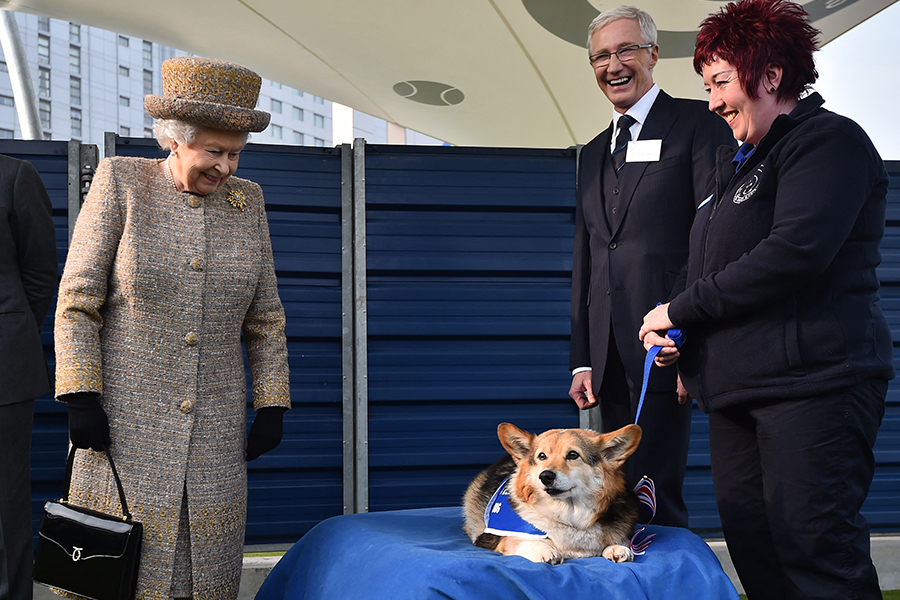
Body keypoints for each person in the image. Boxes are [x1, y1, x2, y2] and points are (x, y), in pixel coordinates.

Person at [638, 0, 893, 597]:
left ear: (770, 77)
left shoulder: (829, 142)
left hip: (814, 385)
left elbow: (794, 253)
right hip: (736, 394)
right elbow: (707, 269)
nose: (713, 102)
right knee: (755, 549)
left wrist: (679, 310)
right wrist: (681, 339)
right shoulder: (734, 168)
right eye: (708, 86)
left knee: (816, 549)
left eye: (721, 82)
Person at [54, 56, 291, 599]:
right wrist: (80, 394)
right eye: (214, 151)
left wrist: (272, 401)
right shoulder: (122, 182)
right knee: (114, 573)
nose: (226, 167)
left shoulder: (247, 201)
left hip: (216, 424)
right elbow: (77, 301)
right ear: (175, 140)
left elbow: (266, 317)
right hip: (123, 422)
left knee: (203, 573)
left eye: (235, 153)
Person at [568, 5, 734, 528]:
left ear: (653, 55)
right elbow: (588, 254)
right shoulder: (592, 152)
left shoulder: (698, 124)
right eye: (600, 56)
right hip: (606, 355)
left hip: (663, 343)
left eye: (625, 50)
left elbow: (711, 234)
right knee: (611, 495)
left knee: (657, 489)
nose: (612, 65)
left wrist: (682, 321)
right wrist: (581, 358)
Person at [0, 155, 57, 600]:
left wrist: (12, 336)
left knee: (4, 509)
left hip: (3, 373)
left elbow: (39, 274)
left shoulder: (15, 176)